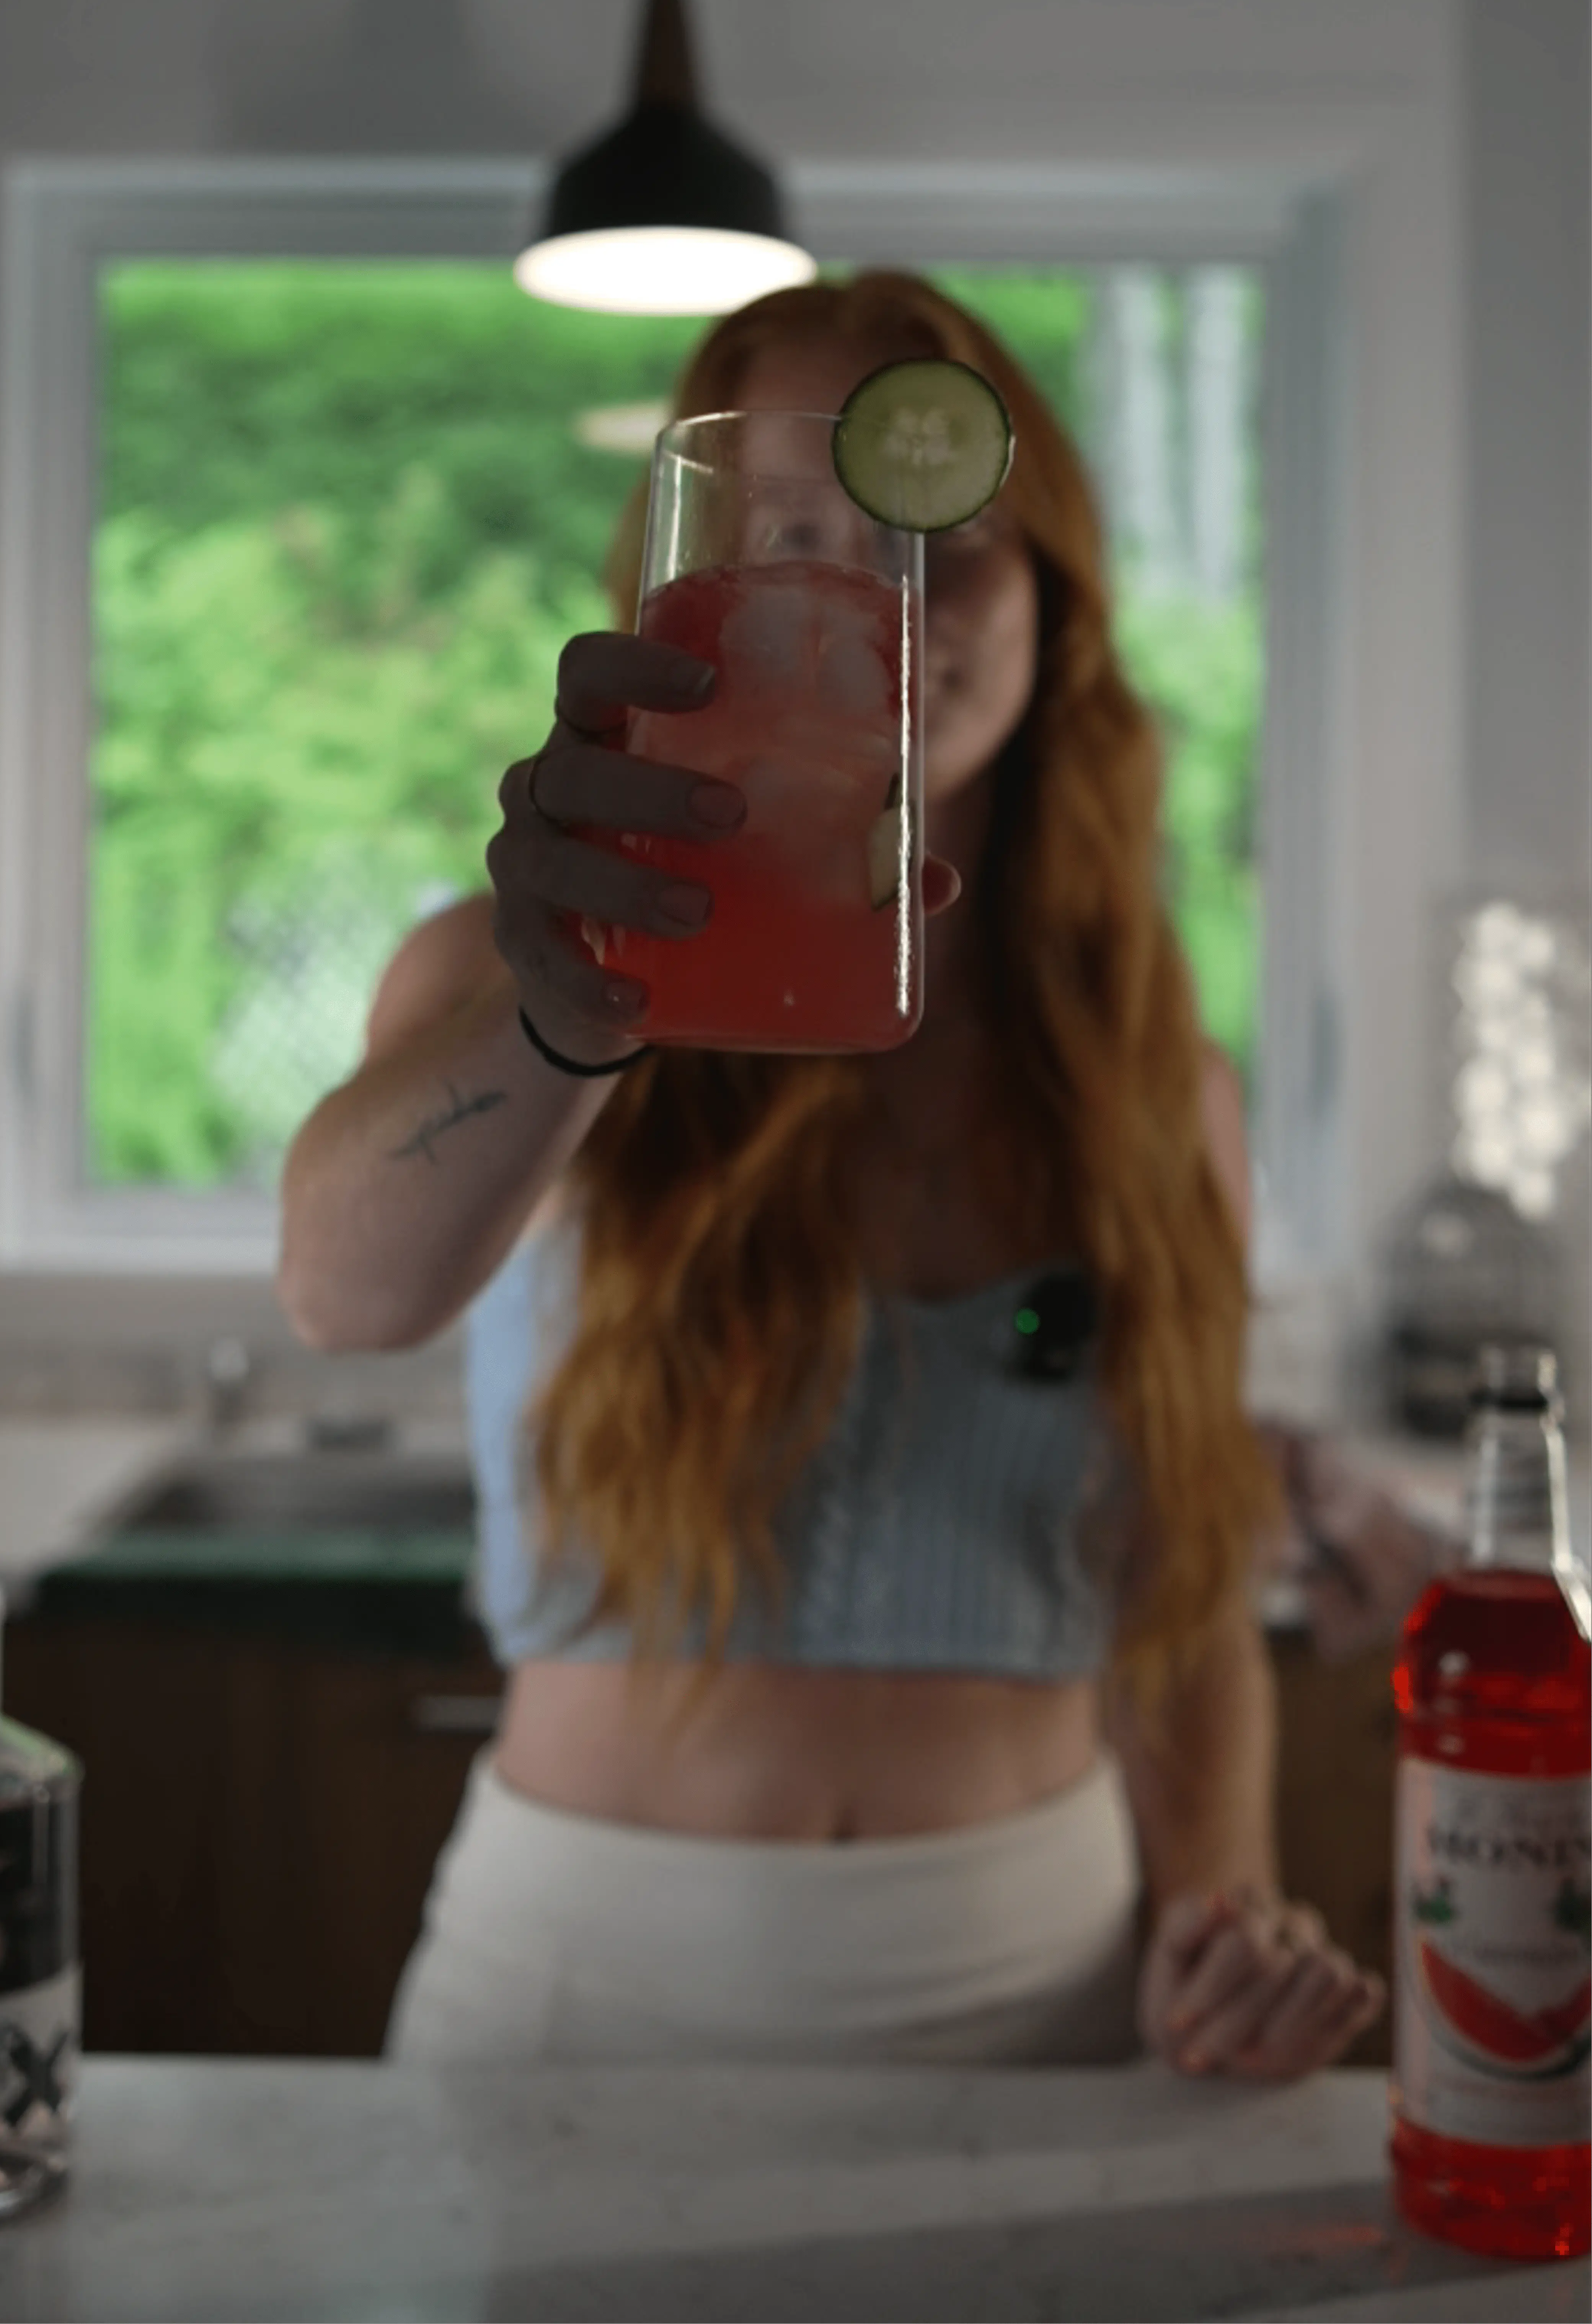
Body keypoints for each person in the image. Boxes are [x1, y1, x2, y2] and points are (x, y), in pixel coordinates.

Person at [277, 268, 1386, 2076]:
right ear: (685, 594)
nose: (887, 591)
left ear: (1056, 606)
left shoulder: (1150, 1079)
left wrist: (1224, 1913)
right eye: (798, 534)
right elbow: (343, 1293)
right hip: (572, 2002)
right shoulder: (514, 974)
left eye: (956, 535)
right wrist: (567, 1018)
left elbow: (1181, 1604)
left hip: (1046, 2002)